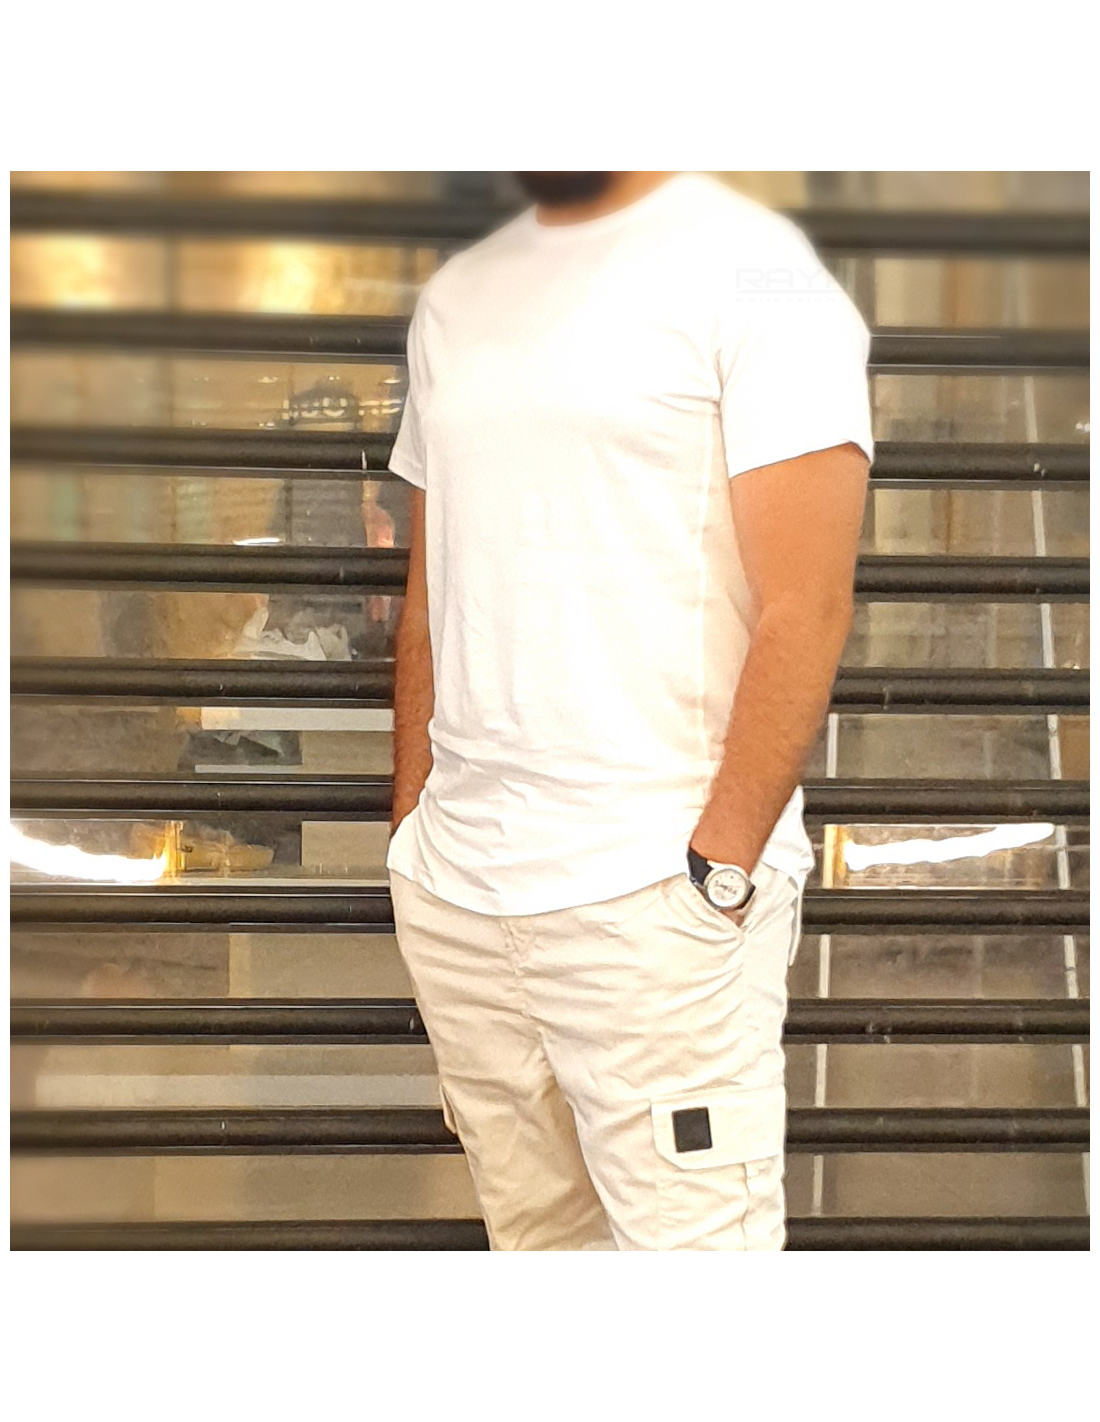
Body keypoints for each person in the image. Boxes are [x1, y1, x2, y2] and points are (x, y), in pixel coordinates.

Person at [385, 170, 873, 1250]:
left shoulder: (760, 275)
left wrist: (718, 867)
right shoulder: (460, 293)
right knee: (539, 1254)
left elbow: (808, 604)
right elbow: (430, 588)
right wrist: (411, 827)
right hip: (463, 894)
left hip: (655, 900)